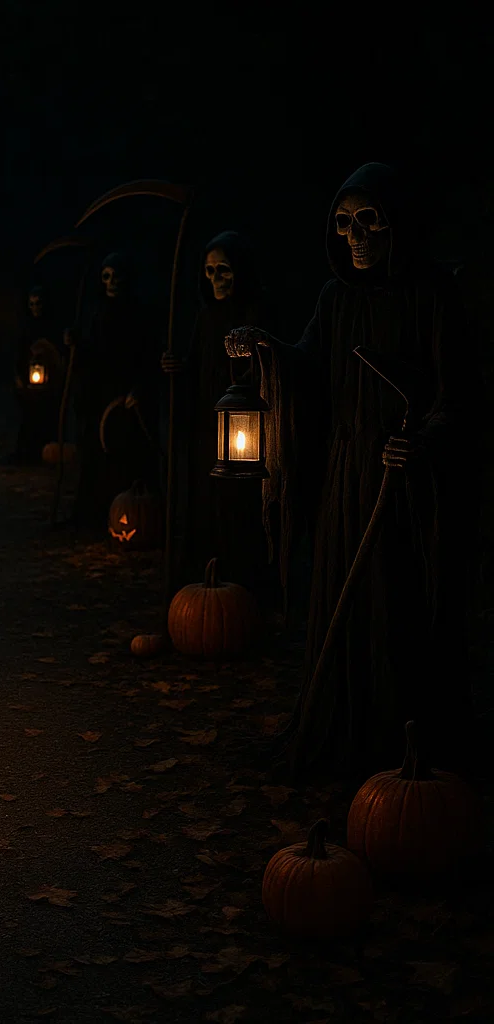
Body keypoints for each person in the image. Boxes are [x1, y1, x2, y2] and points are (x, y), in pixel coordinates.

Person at [227, 164, 476, 781]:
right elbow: (307, 365)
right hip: (348, 476)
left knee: (397, 604)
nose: (355, 236)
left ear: (398, 224)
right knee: (345, 593)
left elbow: (459, 392)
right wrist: (266, 348)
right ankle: (346, 727)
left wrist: (421, 440)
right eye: (343, 223)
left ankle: (403, 744)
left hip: (404, 483)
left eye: (369, 220)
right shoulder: (334, 299)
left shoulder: (434, 294)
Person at [161, 231, 277, 598]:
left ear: (240, 271)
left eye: (223, 270)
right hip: (207, 431)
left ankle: (244, 581)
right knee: (208, 503)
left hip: (246, 433)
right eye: (209, 272)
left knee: (239, 506)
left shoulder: (256, 314)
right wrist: (176, 369)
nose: (216, 280)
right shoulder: (205, 317)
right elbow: (195, 369)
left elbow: (269, 371)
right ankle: (208, 574)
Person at [70, 252, 158, 528]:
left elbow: (148, 354)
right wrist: (75, 343)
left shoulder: (139, 313)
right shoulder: (95, 311)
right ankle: (94, 515)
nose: (112, 282)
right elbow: (92, 353)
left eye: (117, 276)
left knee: (124, 455)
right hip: (98, 394)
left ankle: (127, 515)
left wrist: (141, 386)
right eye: (106, 277)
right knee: (96, 453)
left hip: (126, 394)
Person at [12, 285, 65, 462]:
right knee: (29, 415)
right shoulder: (26, 329)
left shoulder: (52, 328)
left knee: (47, 415)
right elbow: (19, 355)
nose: (35, 307)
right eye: (32, 304)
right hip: (30, 382)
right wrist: (20, 378)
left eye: (38, 303)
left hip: (50, 383)